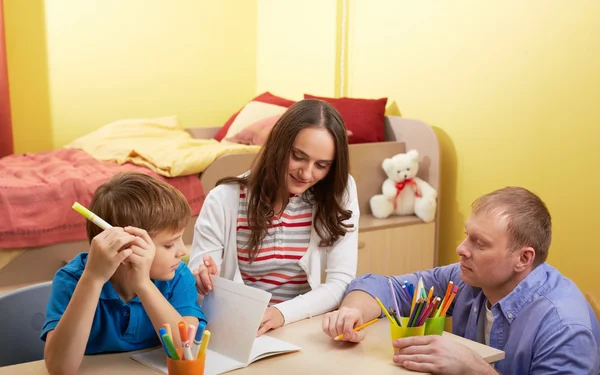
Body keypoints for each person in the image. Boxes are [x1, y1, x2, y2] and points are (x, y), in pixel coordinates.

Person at [322, 186, 600, 374]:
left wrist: (473, 369)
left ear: (523, 259)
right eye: (468, 234)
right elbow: (388, 287)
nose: (461, 249)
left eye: (480, 243)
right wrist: (353, 310)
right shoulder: (468, 279)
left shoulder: (564, 327)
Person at [189, 99, 359, 336]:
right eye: (298, 156)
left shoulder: (339, 192)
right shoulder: (224, 199)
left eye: (321, 165)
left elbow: (341, 283)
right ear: (279, 145)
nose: (307, 173)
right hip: (243, 329)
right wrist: (203, 279)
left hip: (304, 325)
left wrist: (281, 314)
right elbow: (196, 285)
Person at [41, 172, 206, 375]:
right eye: (169, 244)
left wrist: (143, 285)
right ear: (127, 247)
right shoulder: (72, 280)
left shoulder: (178, 277)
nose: (182, 252)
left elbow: (187, 353)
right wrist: (93, 279)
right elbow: (60, 369)